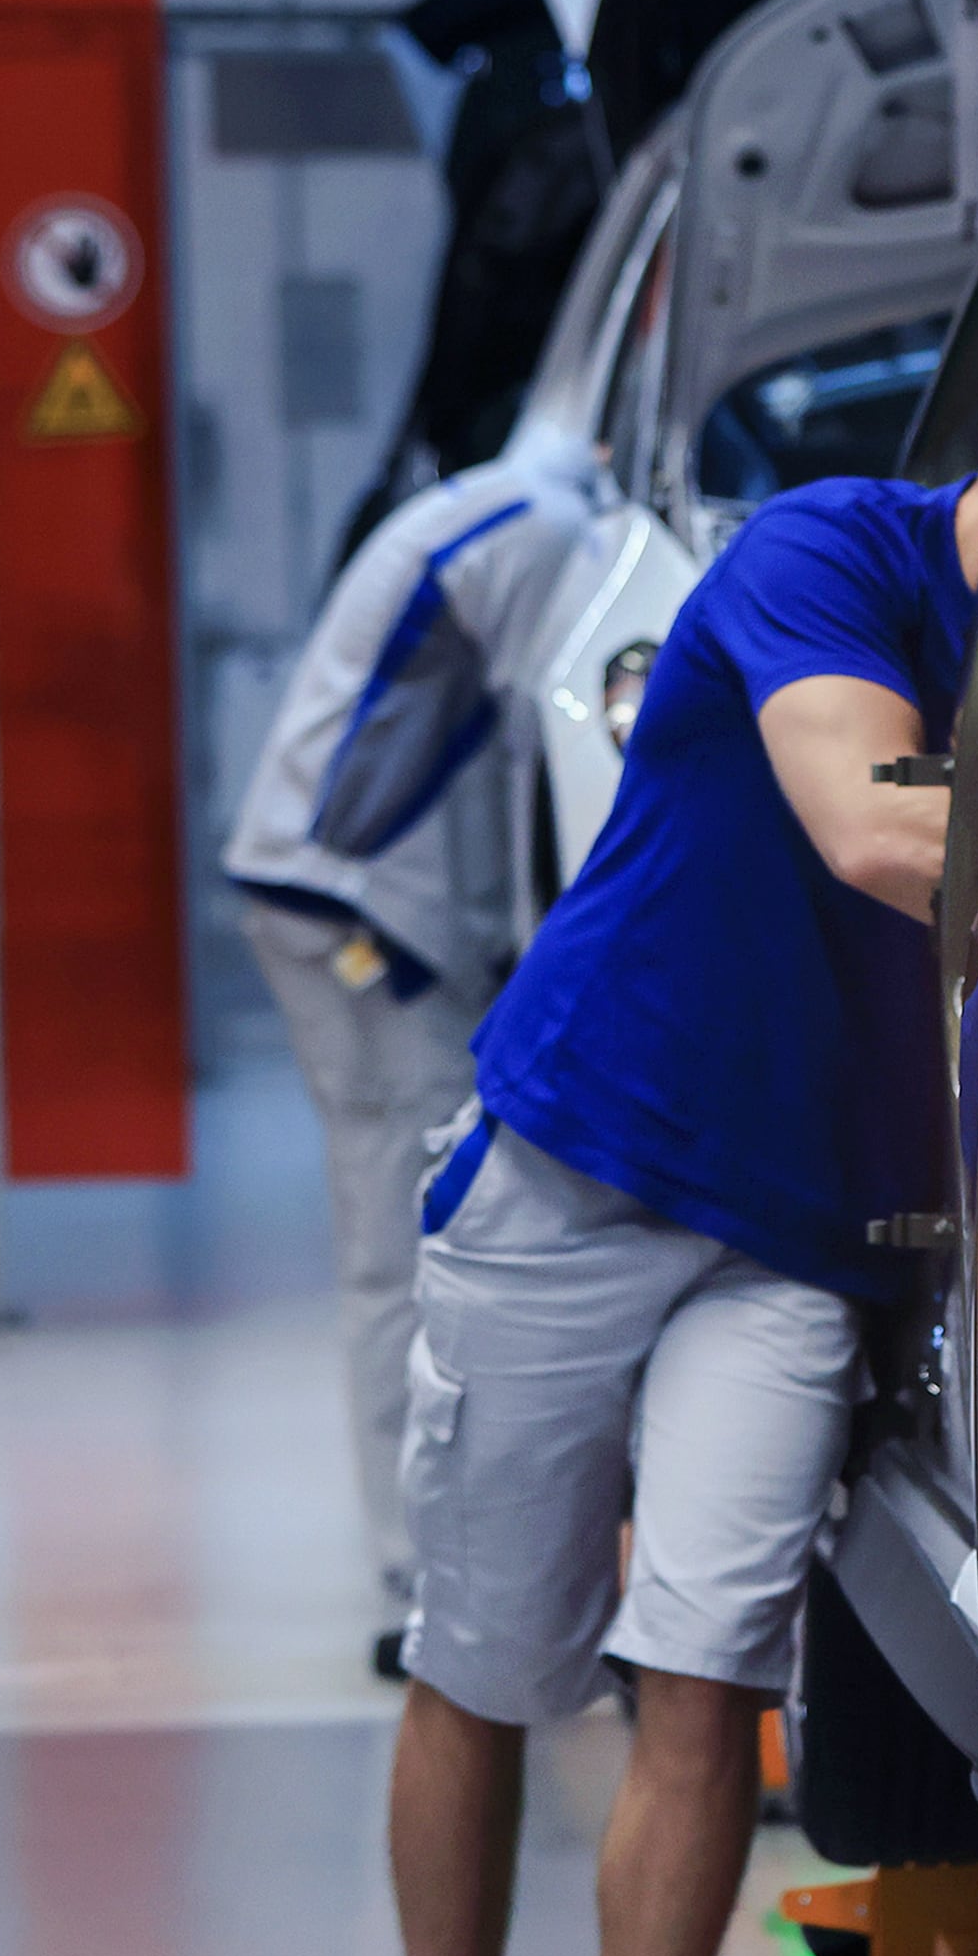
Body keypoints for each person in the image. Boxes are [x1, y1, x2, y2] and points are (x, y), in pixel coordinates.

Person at [370, 258, 978, 1956]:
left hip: (800, 1236)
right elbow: (870, 821)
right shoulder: (821, 556)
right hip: (583, 1159)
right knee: (487, 1656)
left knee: (706, 1675)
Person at [225, 424, 600, 1639]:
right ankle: (421, 1582)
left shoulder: (492, 508)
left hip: (338, 892)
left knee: (409, 1234)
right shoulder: (542, 533)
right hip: (354, 914)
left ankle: (442, 1562)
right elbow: (560, 739)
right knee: (403, 1244)